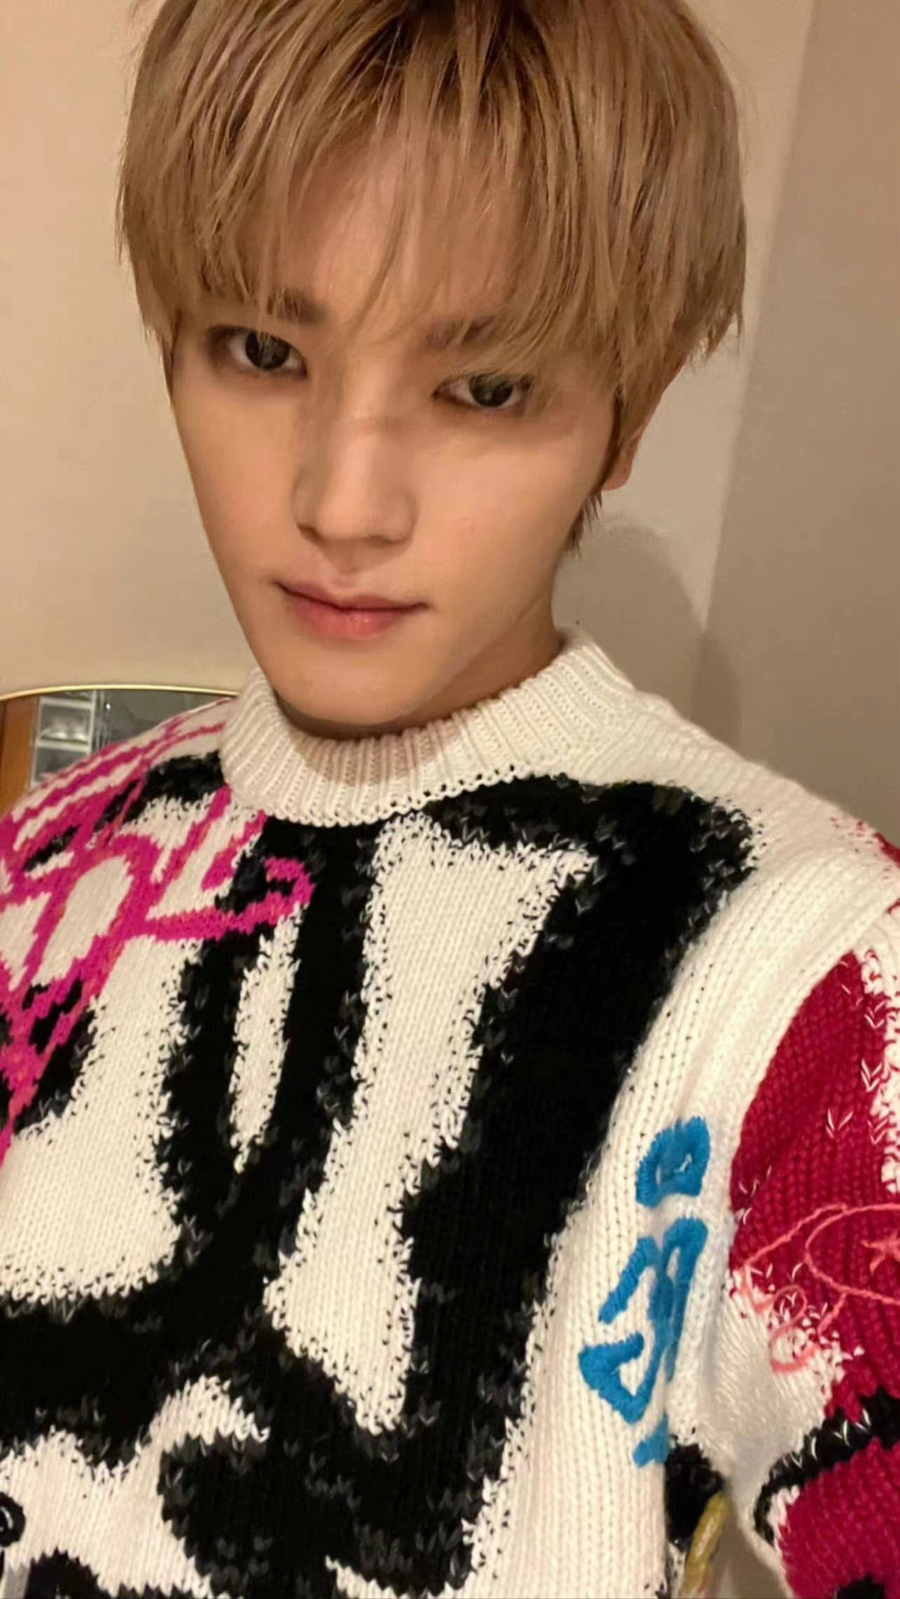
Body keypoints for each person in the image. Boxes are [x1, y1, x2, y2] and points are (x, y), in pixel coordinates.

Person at [0, 0, 897, 1593]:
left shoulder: (804, 959)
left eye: (484, 387)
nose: (343, 503)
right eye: (262, 351)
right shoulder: (49, 858)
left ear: (624, 418)